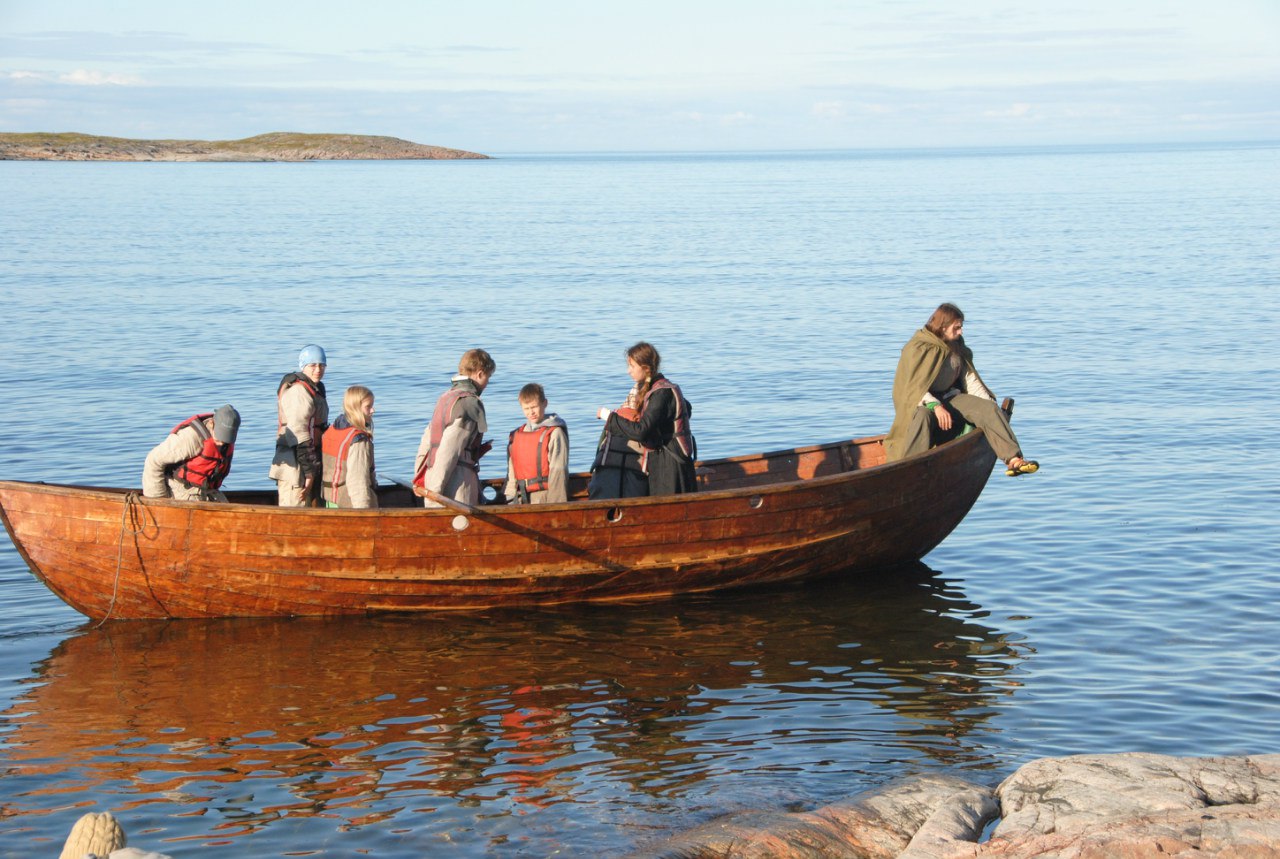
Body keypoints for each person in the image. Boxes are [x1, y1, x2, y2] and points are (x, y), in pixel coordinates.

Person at [884, 303, 1039, 476]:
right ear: (943, 327)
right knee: (923, 416)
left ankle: (1014, 460)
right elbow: (911, 388)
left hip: (949, 397)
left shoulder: (956, 346)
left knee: (988, 409)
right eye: (957, 327)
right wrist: (935, 406)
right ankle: (909, 471)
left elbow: (968, 379)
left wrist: (989, 405)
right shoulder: (919, 348)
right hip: (920, 402)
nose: (961, 332)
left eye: (961, 327)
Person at [594, 341, 697, 497]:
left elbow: (641, 431)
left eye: (632, 366)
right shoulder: (658, 387)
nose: (629, 371)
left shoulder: (662, 392)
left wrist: (609, 417)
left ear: (646, 368)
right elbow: (686, 409)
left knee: (668, 509)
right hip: (663, 459)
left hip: (671, 464)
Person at [413, 348, 496, 508]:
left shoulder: (446, 397)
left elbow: (427, 440)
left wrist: (420, 478)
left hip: (431, 474)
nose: (487, 383)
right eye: (488, 376)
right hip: (455, 485)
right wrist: (434, 493)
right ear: (479, 374)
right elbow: (449, 449)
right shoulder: (469, 403)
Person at [269, 344, 330, 507]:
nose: (318, 369)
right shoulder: (299, 392)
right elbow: (299, 434)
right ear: (303, 366)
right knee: (295, 513)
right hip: (295, 465)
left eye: (322, 365)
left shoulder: (315, 389)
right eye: (313, 365)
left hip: (309, 460)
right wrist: (309, 473)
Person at [142, 404, 240, 502]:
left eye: (227, 438)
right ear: (211, 423)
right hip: (183, 492)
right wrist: (158, 500)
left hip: (209, 492)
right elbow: (153, 460)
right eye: (220, 435)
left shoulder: (227, 441)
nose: (223, 442)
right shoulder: (190, 438)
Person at [503, 383, 570, 505]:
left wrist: (556, 506)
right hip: (520, 499)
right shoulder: (517, 435)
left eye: (534, 407)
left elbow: (558, 471)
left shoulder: (555, 433)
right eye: (526, 409)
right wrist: (510, 498)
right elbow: (512, 471)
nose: (531, 412)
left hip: (544, 497)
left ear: (545, 403)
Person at [321, 385, 378, 509]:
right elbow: (357, 481)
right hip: (349, 504)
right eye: (368, 407)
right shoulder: (358, 440)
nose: (373, 410)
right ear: (355, 408)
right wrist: (363, 513)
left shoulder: (332, 430)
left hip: (330, 502)